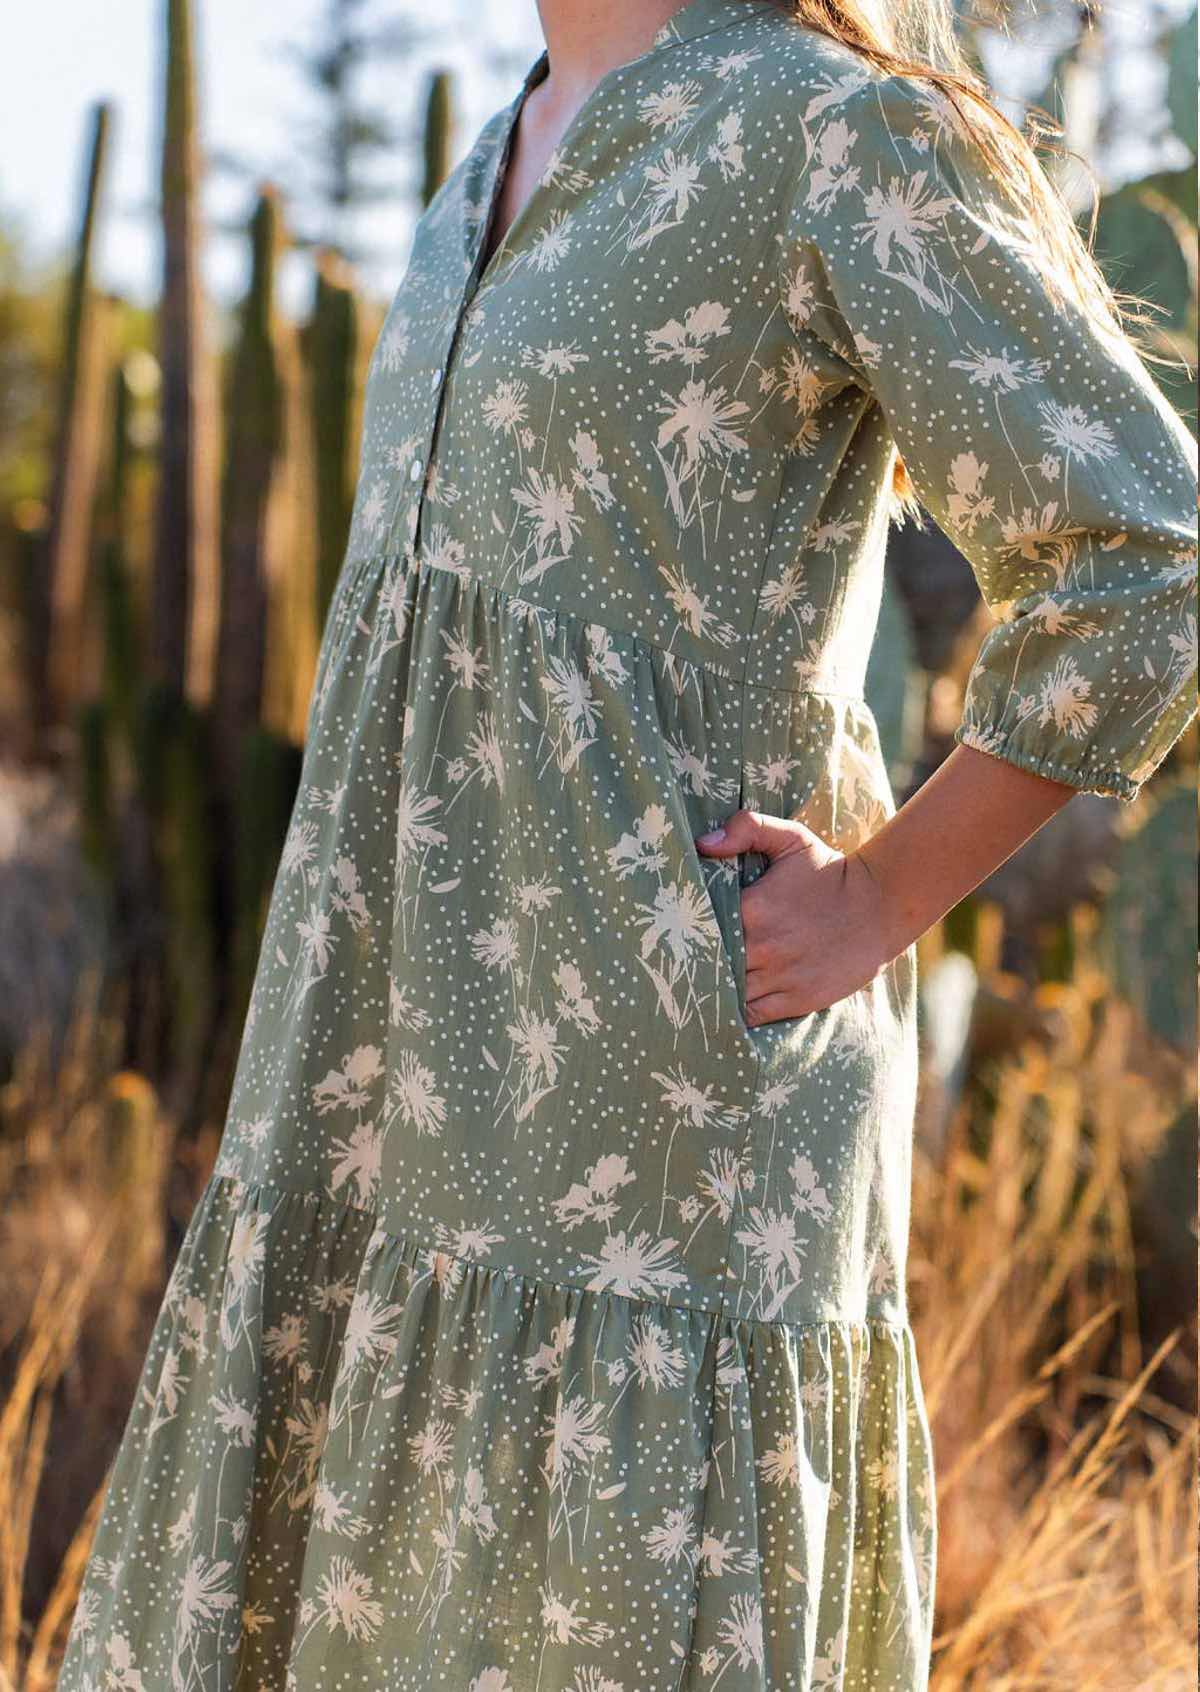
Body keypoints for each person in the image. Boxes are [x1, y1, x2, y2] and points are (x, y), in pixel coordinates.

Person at [58, 0, 1197, 1688]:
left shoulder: (838, 131)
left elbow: (1147, 558)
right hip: (390, 1089)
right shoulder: (494, 148)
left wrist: (888, 893)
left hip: (650, 1130)